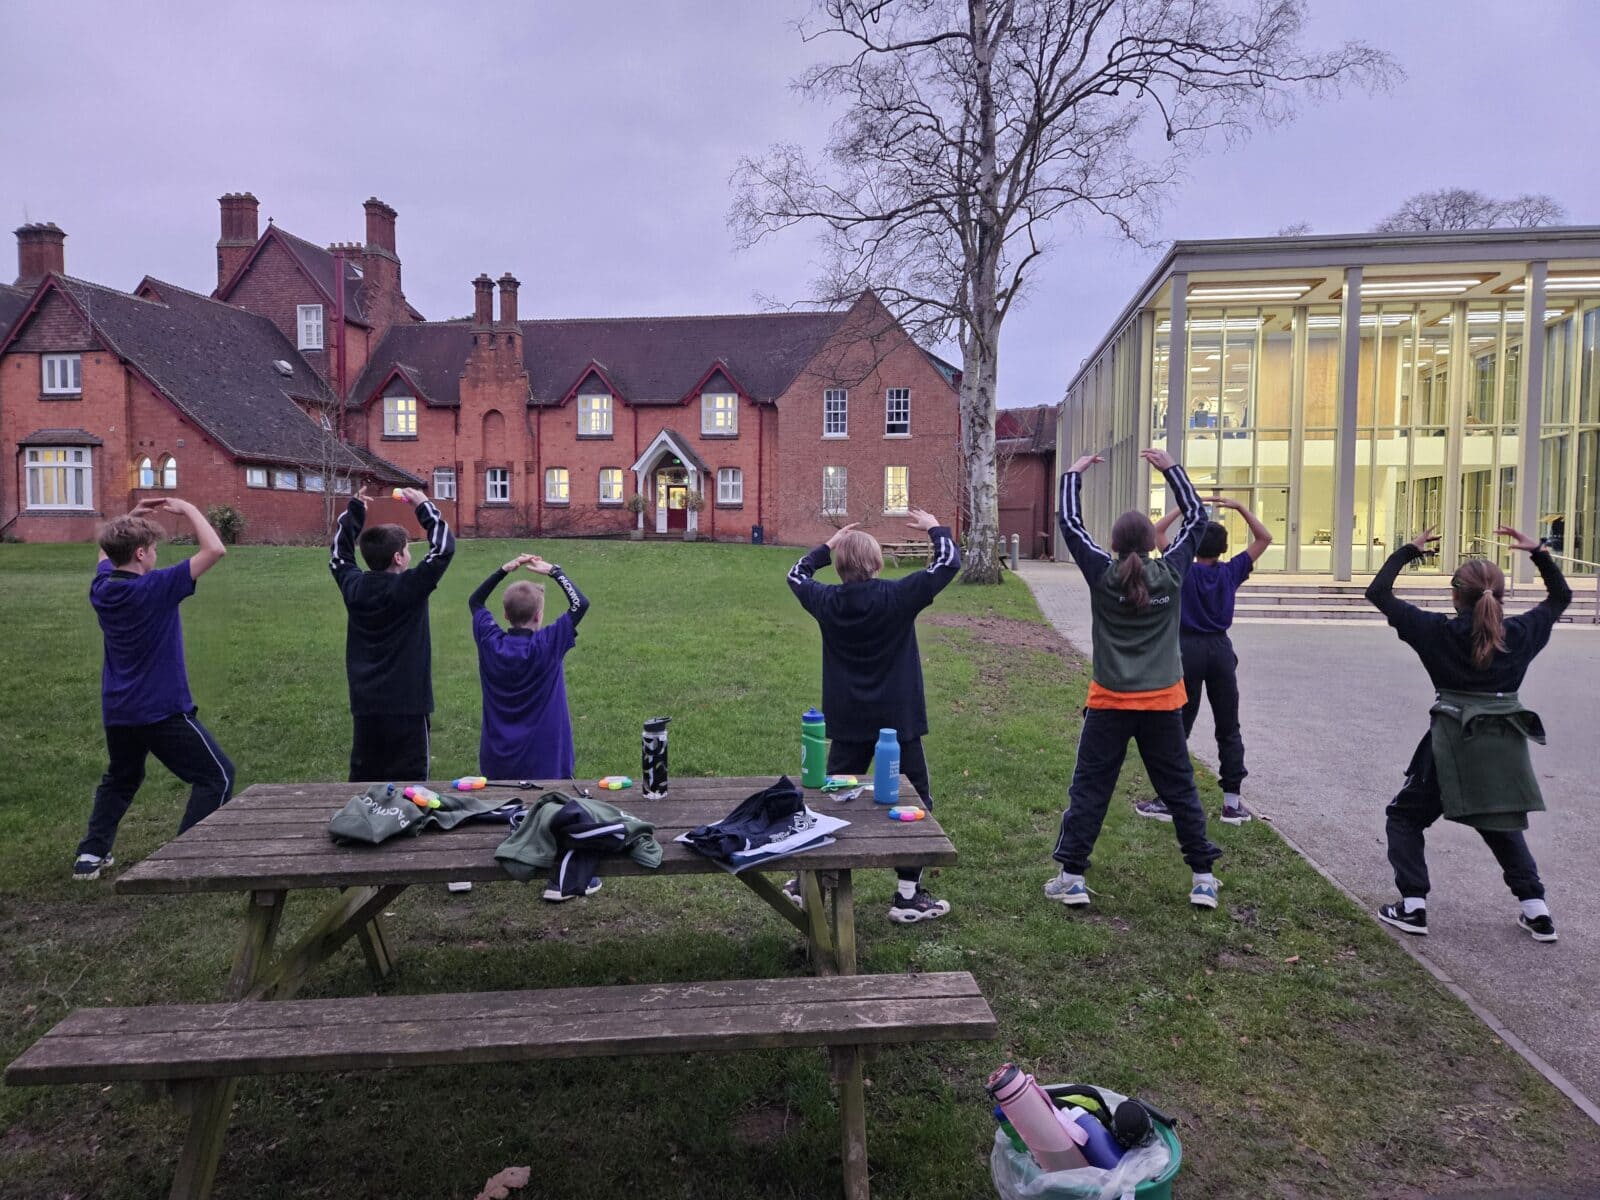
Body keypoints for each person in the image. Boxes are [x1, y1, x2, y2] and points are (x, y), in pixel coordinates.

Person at [1366, 525, 1570, 943]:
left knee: (1404, 818)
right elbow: (1561, 598)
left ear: (1455, 595)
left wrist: (1409, 551)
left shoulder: (1436, 632)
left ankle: (1413, 905)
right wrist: (1539, 554)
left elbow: (1379, 592)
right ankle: (1536, 909)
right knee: (1499, 821)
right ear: (1501, 595)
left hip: (1451, 741)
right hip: (1503, 744)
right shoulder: (1520, 634)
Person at [1045, 449, 1224, 910]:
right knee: (1179, 789)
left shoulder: (1102, 575)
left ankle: (1072, 877)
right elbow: (1198, 518)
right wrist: (1170, 471)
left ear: (1113, 542)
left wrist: (1073, 473)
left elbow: (1069, 522)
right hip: (1164, 704)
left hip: (1109, 704)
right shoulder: (1172, 571)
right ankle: (1203, 879)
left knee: (1090, 788)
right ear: (1152, 543)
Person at [786, 508, 960, 923]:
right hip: (898, 724)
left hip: (847, 723)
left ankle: (805, 882)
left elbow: (796, 575)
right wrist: (936, 528)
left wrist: (825, 550)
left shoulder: (827, 601)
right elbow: (948, 561)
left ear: (841, 567)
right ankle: (907, 895)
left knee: (829, 801)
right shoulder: (898, 596)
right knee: (915, 802)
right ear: (878, 564)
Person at [74, 498, 234, 880]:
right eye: (155, 551)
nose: (157, 557)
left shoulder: (102, 589)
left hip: (119, 710)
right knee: (218, 777)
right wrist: (191, 509)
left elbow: (107, 553)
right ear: (142, 554)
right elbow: (215, 549)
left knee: (122, 778)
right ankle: (183, 857)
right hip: (162, 710)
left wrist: (126, 520)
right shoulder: (157, 588)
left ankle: (91, 855)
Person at [1139, 495, 1274, 825]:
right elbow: (1265, 538)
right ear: (1224, 549)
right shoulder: (1231, 572)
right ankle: (1231, 803)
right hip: (1220, 652)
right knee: (1228, 725)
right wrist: (1240, 508)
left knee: (1178, 725)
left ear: (1195, 543)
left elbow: (1157, 530)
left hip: (1186, 650)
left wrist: (1187, 508)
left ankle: (1169, 800)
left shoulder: (1181, 566)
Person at [329, 485, 455, 782]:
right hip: (408, 707)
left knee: (363, 781)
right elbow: (443, 549)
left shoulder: (354, 586)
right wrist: (424, 505)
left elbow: (339, 556)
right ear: (398, 558)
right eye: (408, 549)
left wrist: (354, 513)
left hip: (366, 705)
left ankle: (360, 825)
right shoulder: (409, 588)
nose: (411, 554)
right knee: (410, 785)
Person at [468, 552, 590, 781]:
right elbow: (580, 604)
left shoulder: (490, 643)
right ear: (538, 616)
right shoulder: (548, 644)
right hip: (546, 763)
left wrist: (503, 571)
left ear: (505, 614)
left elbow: (475, 601)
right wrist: (555, 571)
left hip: (498, 762)